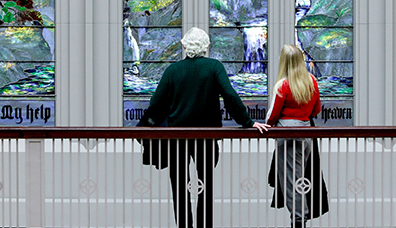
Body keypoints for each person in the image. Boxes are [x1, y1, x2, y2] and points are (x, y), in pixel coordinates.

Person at [139, 27, 269, 228]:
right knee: (205, 186)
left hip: (177, 141)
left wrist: (145, 130)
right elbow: (230, 96)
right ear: (207, 47)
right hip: (207, 139)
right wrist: (248, 122)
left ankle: (184, 226)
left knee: (179, 188)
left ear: (183, 46)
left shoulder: (172, 71)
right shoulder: (214, 67)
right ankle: (203, 225)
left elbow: (155, 105)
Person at [266, 45, 328, 228]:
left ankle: (299, 218)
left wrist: (267, 127)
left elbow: (272, 116)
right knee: (301, 178)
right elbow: (316, 109)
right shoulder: (311, 81)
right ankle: (301, 216)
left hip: (287, 135)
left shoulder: (283, 85)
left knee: (291, 180)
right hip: (306, 133)